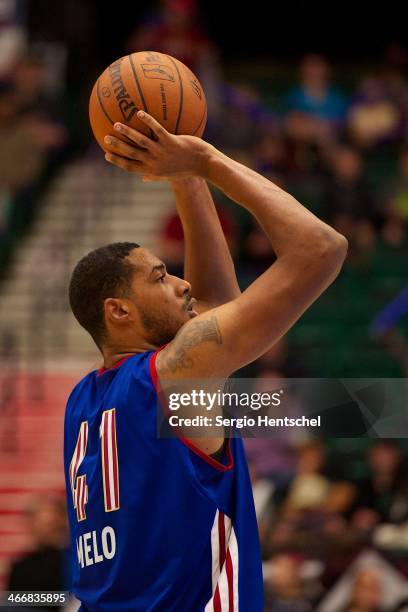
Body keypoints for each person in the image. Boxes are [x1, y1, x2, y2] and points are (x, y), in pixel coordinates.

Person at [64, 110, 347, 611]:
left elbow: (212, 304)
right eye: (159, 278)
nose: (181, 282)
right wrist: (209, 161)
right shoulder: (174, 375)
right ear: (119, 310)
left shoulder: (83, 400)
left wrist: (183, 177)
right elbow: (322, 248)